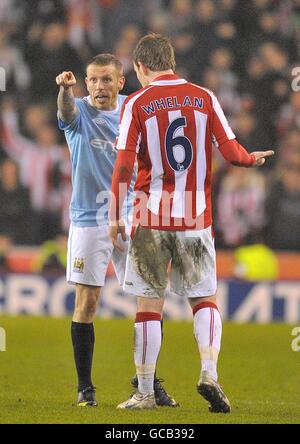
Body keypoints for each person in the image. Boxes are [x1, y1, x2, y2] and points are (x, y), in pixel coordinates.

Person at [108, 34, 274, 411]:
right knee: (204, 299)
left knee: (149, 303)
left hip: (151, 218)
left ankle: (146, 392)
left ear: (140, 67)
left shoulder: (136, 103)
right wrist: (252, 160)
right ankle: (209, 372)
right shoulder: (204, 97)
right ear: (172, 61)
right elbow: (231, 152)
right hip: (195, 219)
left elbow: (123, 166)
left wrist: (116, 214)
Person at [56, 53, 177, 407]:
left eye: (106, 80)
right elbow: (65, 112)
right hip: (89, 219)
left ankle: (148, 382)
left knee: (149, 300)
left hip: (132, 213)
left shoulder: (134, 110)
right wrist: (65, 89)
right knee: (87, 301)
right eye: (92, 80)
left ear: (121, 82)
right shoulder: (78, 112)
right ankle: (85, 388)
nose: (98, 87)